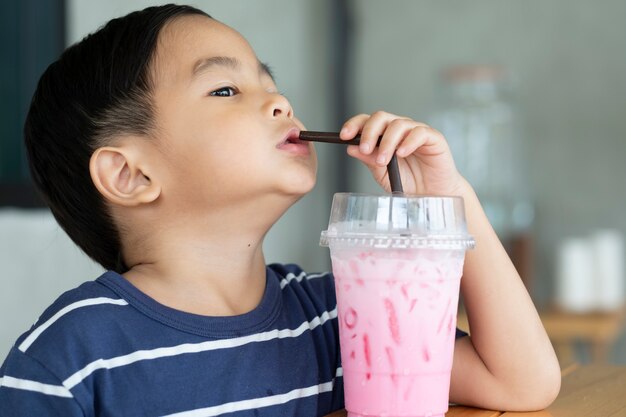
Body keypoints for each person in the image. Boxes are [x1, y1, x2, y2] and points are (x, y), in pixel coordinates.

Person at [0, 4, 561, 416]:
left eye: (270, 82)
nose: (280, 101)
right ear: (131, 174)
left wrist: (450, 199)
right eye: (225, 90)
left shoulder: (335, 316)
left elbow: (518, 383)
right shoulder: (71, 358)